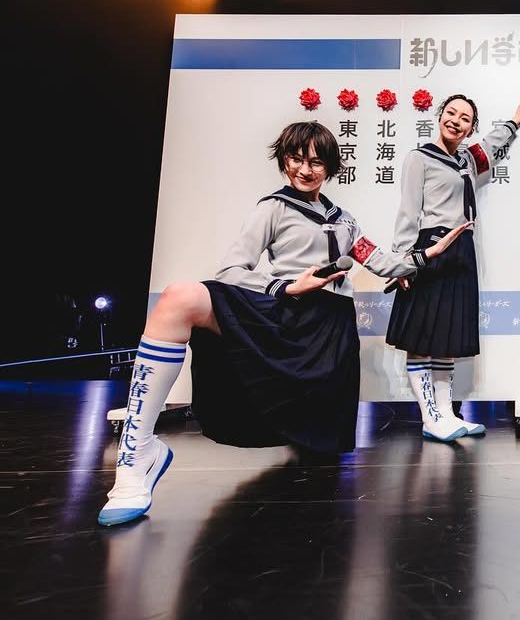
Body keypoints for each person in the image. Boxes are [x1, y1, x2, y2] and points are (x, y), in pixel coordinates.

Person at [98, 121, 471, 526]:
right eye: (296, 159)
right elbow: (231, 270)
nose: (305, 169)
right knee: (179, 298)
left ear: (330, 167)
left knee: (322, 453)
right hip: (286, 314)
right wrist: (288, 286)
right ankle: (137, 455)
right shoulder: (273, 208)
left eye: (316, 162)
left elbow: (381, 262)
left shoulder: (345, 221)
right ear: (284, 160)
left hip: (330, 335)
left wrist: (427, 254)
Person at [386, 93, 520, 441]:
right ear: (440, 117)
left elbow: (492, 144)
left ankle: (447, 415)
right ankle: (430, 418)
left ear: (471, 127)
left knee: (446, 336)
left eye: (465, 118)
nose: (456, 121)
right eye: (451, 113)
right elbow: (408, 210)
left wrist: (517, 118)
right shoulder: (419, 158)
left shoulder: (466, 159)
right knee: (422, 336)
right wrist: (402, 261)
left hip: (462, 251)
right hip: (431, 249)